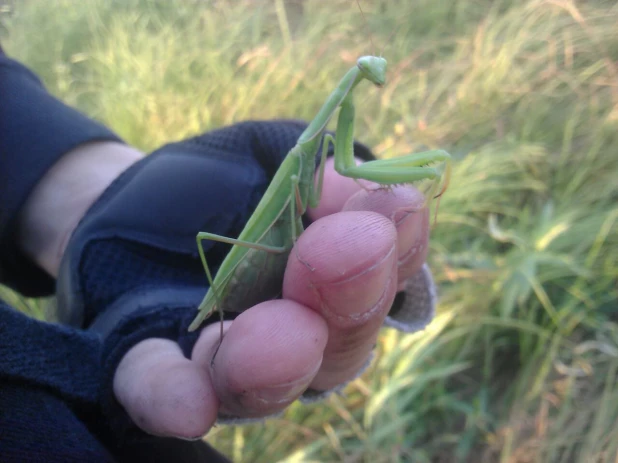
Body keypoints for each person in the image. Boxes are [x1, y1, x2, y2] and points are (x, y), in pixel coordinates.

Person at [0, 42, 438, 462]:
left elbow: (340, 171)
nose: (377, 77)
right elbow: (343, 169)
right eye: (367, 71)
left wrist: (89, 191)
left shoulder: (313, 145)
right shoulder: (307, 148)